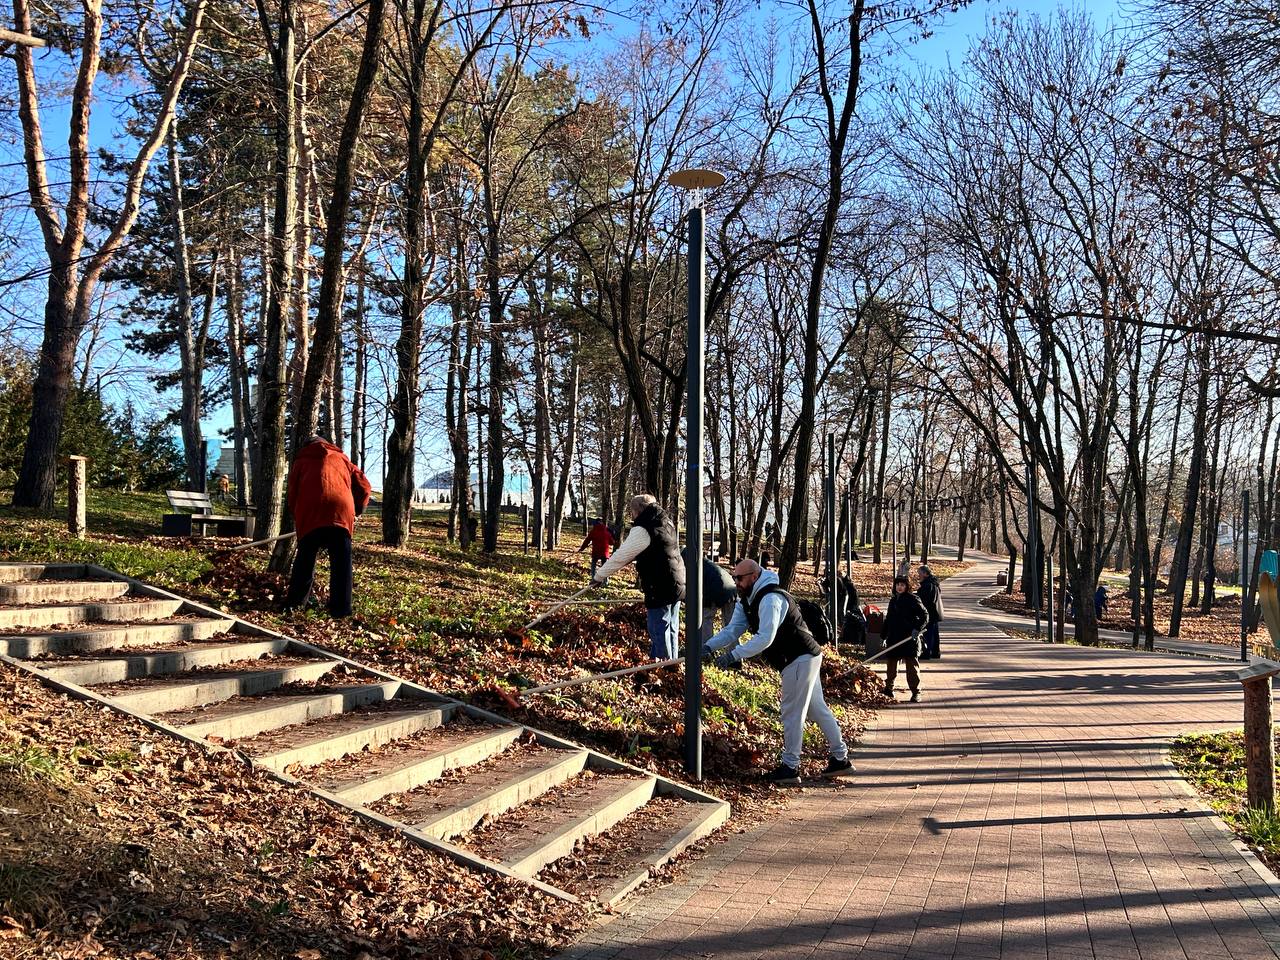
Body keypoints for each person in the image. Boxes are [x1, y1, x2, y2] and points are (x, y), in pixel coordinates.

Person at [705, 559, 853, 785]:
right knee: (817, 709)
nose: (736, 582)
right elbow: (733, 629)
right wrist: (708, 646)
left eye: (740, 578)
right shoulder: (747, 598)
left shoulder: (771, 599)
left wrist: (733, 655)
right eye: (734, 578)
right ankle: (840, 759)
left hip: (798, 658)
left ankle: (790, 767)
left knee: (792, 713)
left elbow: (765, 637)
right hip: (804, 656)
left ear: (754, 576)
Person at [283, 435, 372, 618]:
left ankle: (295, 604)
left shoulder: (301, 461)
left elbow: (292, 494)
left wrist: (297, 515)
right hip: (340, 511)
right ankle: (341, 610)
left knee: (305, 560)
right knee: (342, 563)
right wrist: (358, 510)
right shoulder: (342, 459)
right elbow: (364, 486)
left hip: (310, 512)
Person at [591, 494, 685, 660]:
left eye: (633, 512)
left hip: (659, 585)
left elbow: (623, 555)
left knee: (658, 628)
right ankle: (673, 664)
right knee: (671, 627)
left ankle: (662, 669)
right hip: (677, 581)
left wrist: (599, 575)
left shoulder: (644, 527)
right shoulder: (666, 521)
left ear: (639, 510)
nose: (632, 516)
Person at [881, 575, 929, 702]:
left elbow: (925, 615)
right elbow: (889, 620)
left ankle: (916, 692)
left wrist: (917, 628)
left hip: (909, 639)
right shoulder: (893, 600)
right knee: (891, 666)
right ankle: (889, 689)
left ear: (907, 586)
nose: (899, 587)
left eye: (902, 585)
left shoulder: (913, 599)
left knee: (912, 668)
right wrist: (883, 636)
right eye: (897, 585)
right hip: (894, 638)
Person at [702, 556, 737, 642]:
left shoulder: (688, 563)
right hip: (730, 586)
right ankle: (734, 652)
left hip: (714, 589)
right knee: (730, 625)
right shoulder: (705, 562)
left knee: (706, 620)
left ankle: (706, 651)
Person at [916, 564, 944, 660]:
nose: (918, 575)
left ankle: (927, 652)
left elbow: (925, 600)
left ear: (925, 573)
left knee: (928, 633)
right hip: (935, 613)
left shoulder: (928, 585)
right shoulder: (933, 583)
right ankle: (935, 652)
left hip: (930, 613)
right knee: (934, 634)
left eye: (919, 573)